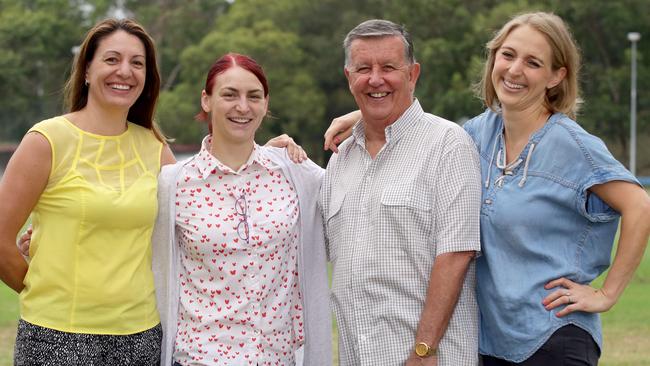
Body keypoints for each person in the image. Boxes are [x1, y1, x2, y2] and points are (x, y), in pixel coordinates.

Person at [326, 12, 650, 366]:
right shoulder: (479, 134)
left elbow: (639, 206)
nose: (513, 70)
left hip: (552, 337)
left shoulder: (571, 145)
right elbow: (416, 125)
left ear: (557, 76)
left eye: (533, 62)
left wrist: (607, 293)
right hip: (490, 342)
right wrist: (362, 114)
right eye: (507, 55)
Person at [0, 18, 175, 365]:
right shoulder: (46, 140)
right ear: (86, 71)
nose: (124, 71)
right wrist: (44, 290)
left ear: (147, 77)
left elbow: (210, 200)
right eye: (111, 60)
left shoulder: (155, 148)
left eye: (137, 63)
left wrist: (269, 154)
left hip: (141, 338)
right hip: (54, 338)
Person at [151, 52, 331, 366]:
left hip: (276, 357)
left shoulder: (293, 173)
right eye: (229, 95)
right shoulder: (174, 183)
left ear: (266, 104)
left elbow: (357, 193)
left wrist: (356, 119)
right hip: (198, 357)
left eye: (254, 96)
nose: (243, 107)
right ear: (206, 100)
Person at [320, 19, 482, 365]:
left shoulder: (448, 145)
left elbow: (456, 255)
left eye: (389, 67)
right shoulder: (340, 161)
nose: (375, 79)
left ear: (413, 74)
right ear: (349, 77)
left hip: (428, 358)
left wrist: (424, 350)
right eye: (363, 68)